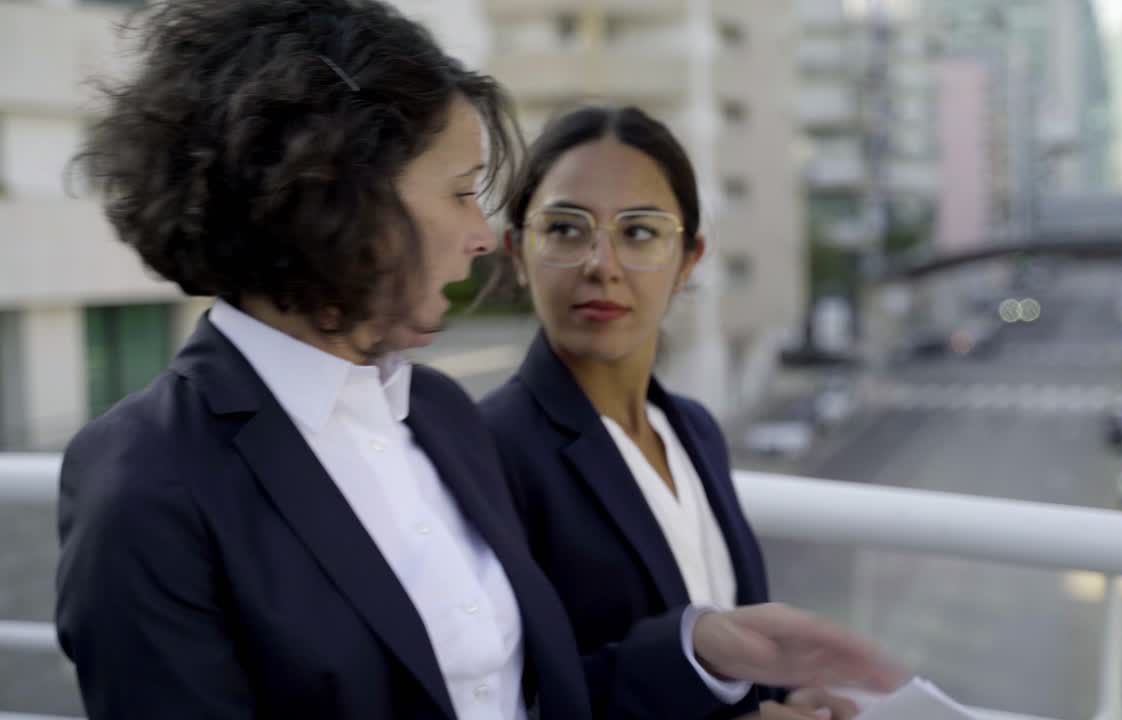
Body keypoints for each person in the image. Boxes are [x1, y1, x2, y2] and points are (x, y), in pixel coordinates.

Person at [55, 3, 898, 719]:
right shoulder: (148, 480)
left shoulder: (439, 413)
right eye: (462, 191)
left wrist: (698, 649)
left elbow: (536, 698)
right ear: (338, 194)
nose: (485, 236)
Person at [480, 106, 897, 720]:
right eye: (566, 229)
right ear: (517, 252)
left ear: (689, 260)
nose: (602, 263)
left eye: (640, 232)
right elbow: (511, 702)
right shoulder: (489, 451)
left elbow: (728, 664)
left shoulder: (695, 431)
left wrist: (781, 699)